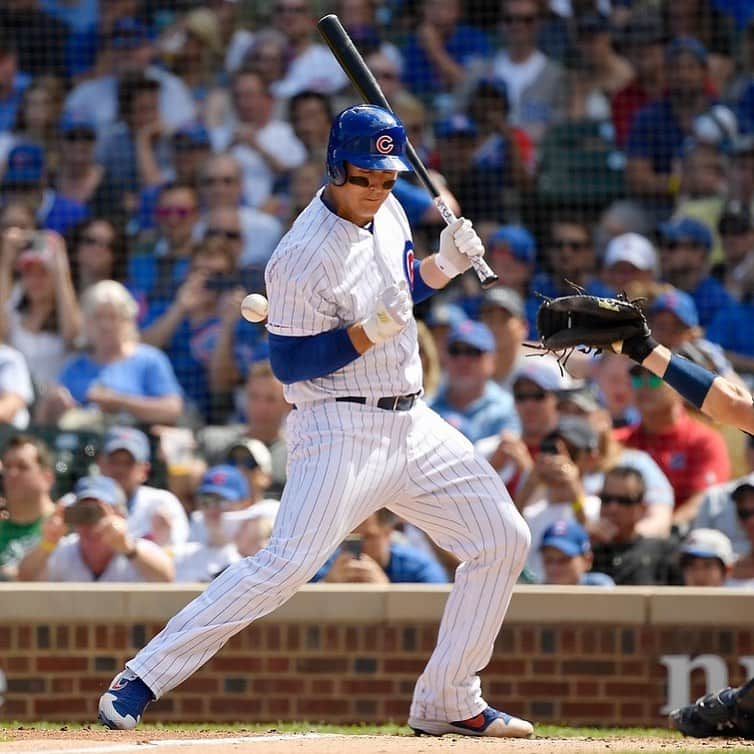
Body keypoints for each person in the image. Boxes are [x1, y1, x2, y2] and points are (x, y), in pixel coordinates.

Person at [98, 104, 533, 739]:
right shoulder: (300, 255)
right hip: (339, 425)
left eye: (386, 177)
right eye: (365, 177)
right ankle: (141, 677)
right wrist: (374, 327)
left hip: (413, 420)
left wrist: (446, 266)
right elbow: (292, 363)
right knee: (286, 565)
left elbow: (403, 283)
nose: (378, 188)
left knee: (502, 540)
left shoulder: (388, 208)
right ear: (335, 168)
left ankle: (448, 698)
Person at [36, 280, 183, 428]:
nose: (105, 325)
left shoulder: (149, 360)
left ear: (128, 320)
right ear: (86, 323)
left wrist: (120, 403)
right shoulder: (75, 367)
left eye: (112, 317)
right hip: (85, 444)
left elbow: (172, 409)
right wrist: (52, 405)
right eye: (98, 317)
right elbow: (41, 424)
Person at [18, 475, 174, 583]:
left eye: (98, 513)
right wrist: (48, 542)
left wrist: (126, 547)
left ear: (120, 515)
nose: (91, 524)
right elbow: (24, 577)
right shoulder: (64, 550)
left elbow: (166, 577)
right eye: (84, 513)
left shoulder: (137, 550)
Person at [429, 320, 520, 443]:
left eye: (473, 352)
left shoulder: (509, 409)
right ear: (445, 357)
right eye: (455, 351)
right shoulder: (426, 406)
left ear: (492, 360)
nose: (463, 360)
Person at [97, 426, 189, 547]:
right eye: (114, 461)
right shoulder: (79, 502)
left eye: (128, 463)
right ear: (101, 464)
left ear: (144, 470)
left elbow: (179, 556)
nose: (120, 469)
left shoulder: (163, 502)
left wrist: (165, 542)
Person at [589, 466, 681, 586]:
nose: (613, 508)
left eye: (624, 501)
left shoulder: (663, 552)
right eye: (607, 499)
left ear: (641, 508)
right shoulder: (584, 550)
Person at [314, 508, 449, 584]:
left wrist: (386, 593)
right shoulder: (325, 565)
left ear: (388, 533)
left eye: (368, 537)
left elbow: (438, 613)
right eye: (349, 538)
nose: (358, 545)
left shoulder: (418, 567)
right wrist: (326, 584)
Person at [0, 434, 56, 580]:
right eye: (7, 467)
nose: (12, 474)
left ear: (47, 478)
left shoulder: (65, 526)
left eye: (22, 467)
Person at [539, 518, 614, 586]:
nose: (555, 567)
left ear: (587, 560)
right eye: (549, 560)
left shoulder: (599, 586)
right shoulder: (537, 591)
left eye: (564, 560)